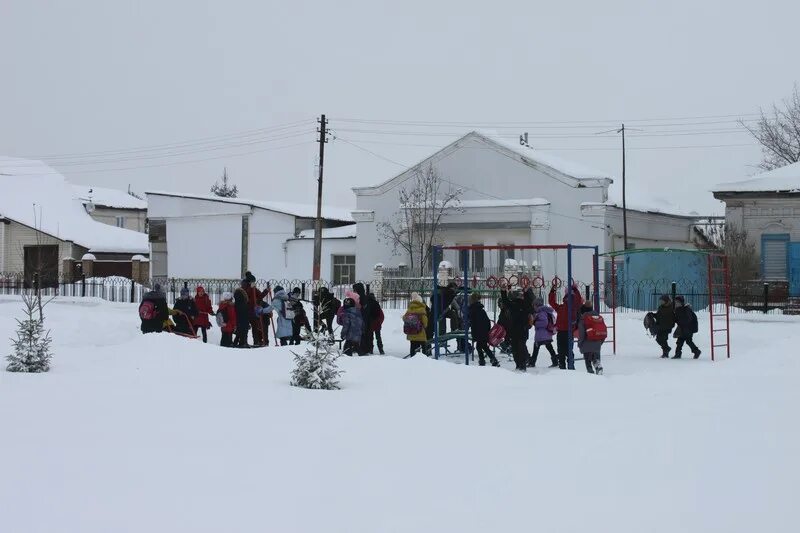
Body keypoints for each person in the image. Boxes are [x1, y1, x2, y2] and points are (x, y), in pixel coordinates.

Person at [549, 284, 583, 370]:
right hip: (562, 331)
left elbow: (578, 300)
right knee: (562, 351)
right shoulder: (562, 307)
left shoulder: (573, 307)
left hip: (567, 331)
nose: (568, 299)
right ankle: (563, 366)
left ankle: (569, 366)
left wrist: (575, 289)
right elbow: (552, 303)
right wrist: (552, 291)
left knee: (566, 351)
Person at [502, 288, 531, 371]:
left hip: (514, 330)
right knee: (521, 347)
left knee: (515, 348)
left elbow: (505, 301)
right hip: (523, 330)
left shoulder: (513, 305)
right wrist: (526, 292)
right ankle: (522, 364)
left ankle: (519, 364)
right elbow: (529, 302)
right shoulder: (525, 305)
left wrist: (503, 291)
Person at [468, 292, 499, 367]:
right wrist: (487, 330)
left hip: (479, 332)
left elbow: (473, 322)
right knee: (482, 346)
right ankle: (486, 360)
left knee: (481, 346)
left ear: (472, 300)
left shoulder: (473, 309)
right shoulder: (480, 309)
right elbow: (487, 321)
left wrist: (474, 331)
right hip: (483, 331)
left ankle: (488, 360)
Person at [576, 303, 604, 375]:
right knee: (596, 358)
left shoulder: (583, 319)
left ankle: (590, 373)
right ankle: (598, 366)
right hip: (597, 343)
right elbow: (603, 331)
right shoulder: (599, 317)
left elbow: (581, 334)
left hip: (586, 343)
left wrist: (580, 343)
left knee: (588, 361)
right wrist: (600, 342)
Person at [529, 296, 557, 368]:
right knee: (549, 348)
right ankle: (555, 361)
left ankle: (532, 363)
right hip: (546, 334)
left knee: (536, 348)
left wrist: (535, 323)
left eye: (534, 305)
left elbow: (544, 322)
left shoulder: (541, 312)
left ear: (537, 305)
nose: (534, 307)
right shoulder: (544, 311)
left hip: (541, 335)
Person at [404, 292, 429, 358]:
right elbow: (425, 322)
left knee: (413, 346)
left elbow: (404, 318)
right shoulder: (422, 309)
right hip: (420, 332)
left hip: (411, 332)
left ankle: (413, 358)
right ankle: (423, 358)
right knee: (423, 346)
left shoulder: (410, 309)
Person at [242, 277, 266, 347]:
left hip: (253, 311)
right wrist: (251, 288)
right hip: (246, 311)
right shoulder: (244, 288)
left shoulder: (254, 289)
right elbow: (246, 297)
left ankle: (256, 341)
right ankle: (244, 341)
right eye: (253, 281)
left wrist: (265, 291)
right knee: (245, 327)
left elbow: (260, 296)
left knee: (255, 327)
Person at [352, 283, 375, 354]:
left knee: (362, 334)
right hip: (364, 319)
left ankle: (362, 349)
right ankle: (362, 348)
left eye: (355, 290)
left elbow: (362, 309)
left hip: (362, 318)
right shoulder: (363, 297)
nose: (353, 291)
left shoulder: (361, 298)